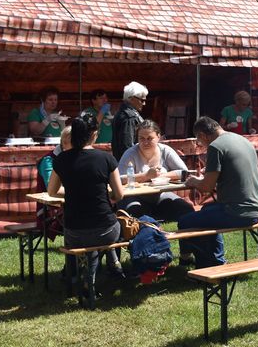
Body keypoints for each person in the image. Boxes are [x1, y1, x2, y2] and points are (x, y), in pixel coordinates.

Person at [48, 112, 124, 304]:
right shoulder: (106, 158)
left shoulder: (61, 159)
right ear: (94, 134)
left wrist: (74, 192)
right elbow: (119, 195)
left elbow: (52, 191)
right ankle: (114, 266)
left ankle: (86, 276)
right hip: (105, 230)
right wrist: (105, 195)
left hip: (74, 232)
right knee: (118, 225)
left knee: (89, 239)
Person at [178, 117, 258, 268]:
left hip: (236, 212)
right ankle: (208, 259)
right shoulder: (242, 140)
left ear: (203, 135)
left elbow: (206, 187)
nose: (201, 145)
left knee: (185, 222)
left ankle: (209, 264)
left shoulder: (215, 146)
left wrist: (194, 181)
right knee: (206, 211)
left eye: (199, 141)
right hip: (256, 208)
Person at [117, 120, 194, 222]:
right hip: (135, 196)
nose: (145, 142)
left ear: (158, 137)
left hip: (160, 195)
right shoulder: (130, 154)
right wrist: (146, 176)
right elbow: (119, 179)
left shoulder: (165, 151)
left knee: (186, 209)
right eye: (141, 138)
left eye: (150, 138)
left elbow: (184, 172)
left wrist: (161, 175)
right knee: (135, 213)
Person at [111, 81, 147, 160]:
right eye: (142, 100)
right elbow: (127, 146)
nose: (144, 103)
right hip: (130, 162)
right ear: (132, 99)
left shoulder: (122, 113)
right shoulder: (129, 117)